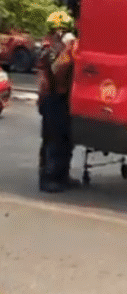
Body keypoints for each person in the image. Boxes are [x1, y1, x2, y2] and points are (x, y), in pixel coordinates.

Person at [35, 11, 77, 193]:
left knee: (65, 139)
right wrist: (71, 50)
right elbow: (59, 70)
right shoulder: (52, 48)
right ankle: (49, 179)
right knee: (55, 139)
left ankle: (62, 176)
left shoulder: (56, 46)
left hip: (58, 97)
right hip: (53, 98)